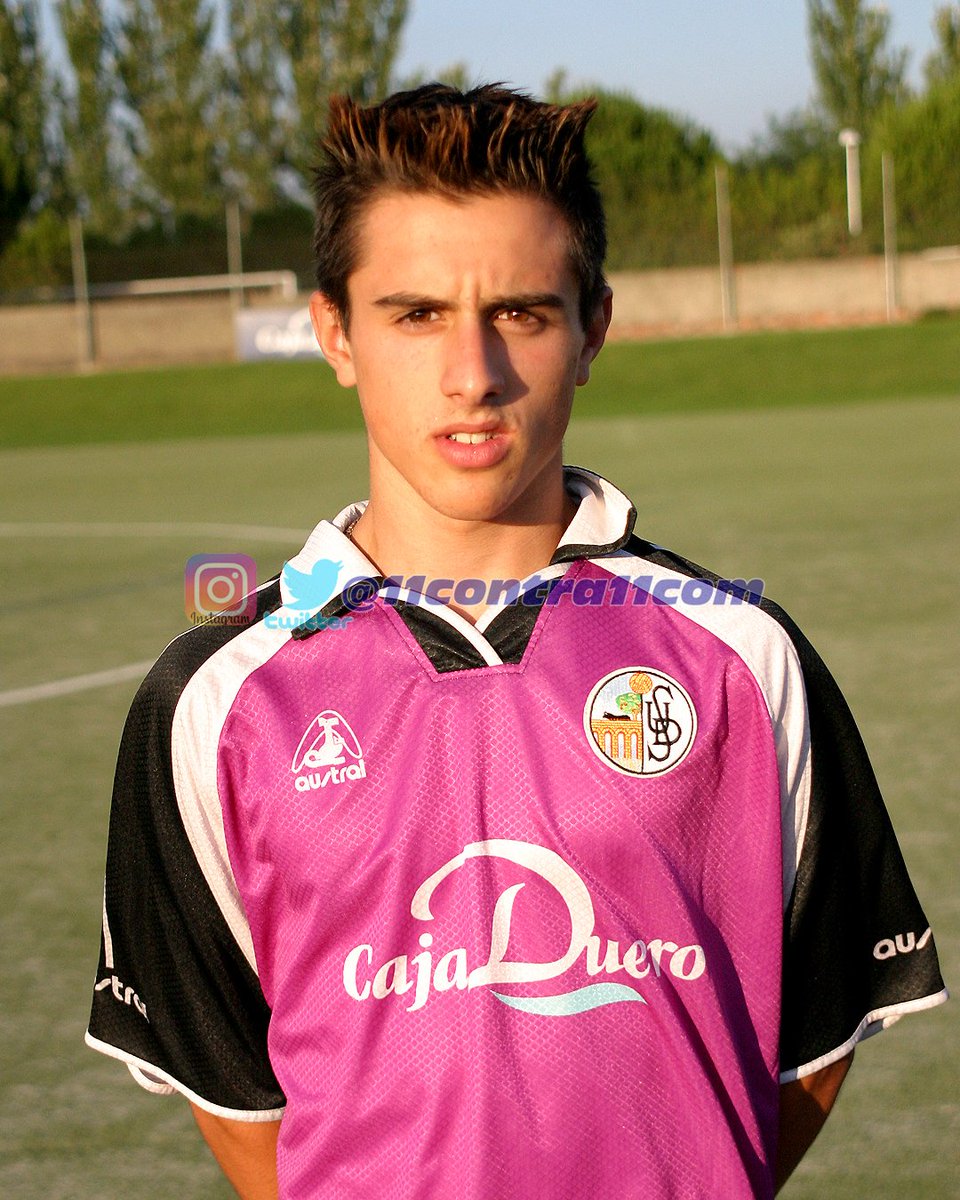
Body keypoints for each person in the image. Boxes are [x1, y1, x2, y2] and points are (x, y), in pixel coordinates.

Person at [86, 84, 947, 1200]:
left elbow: (812, 1041)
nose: (473, 373)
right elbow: (239, 1099)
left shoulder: (743, 656)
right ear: (334, 333)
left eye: (523, 314)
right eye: (415, 314)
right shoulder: (211, 701)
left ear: (592, 329)